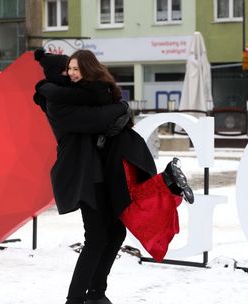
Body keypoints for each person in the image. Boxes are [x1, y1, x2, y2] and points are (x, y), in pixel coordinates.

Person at [34, 49, 193, 304]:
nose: (72, 74)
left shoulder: (86, 96)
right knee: (96, 237)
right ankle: (75, 299)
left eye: (76, 69)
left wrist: (117, 106)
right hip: (85, 176)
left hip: (106, 173)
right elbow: (95, 120)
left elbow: (103, 111)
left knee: (116, 232)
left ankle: (97, 293)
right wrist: (120, 107)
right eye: (68, 70)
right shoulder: (56, 102)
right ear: (57, 75)